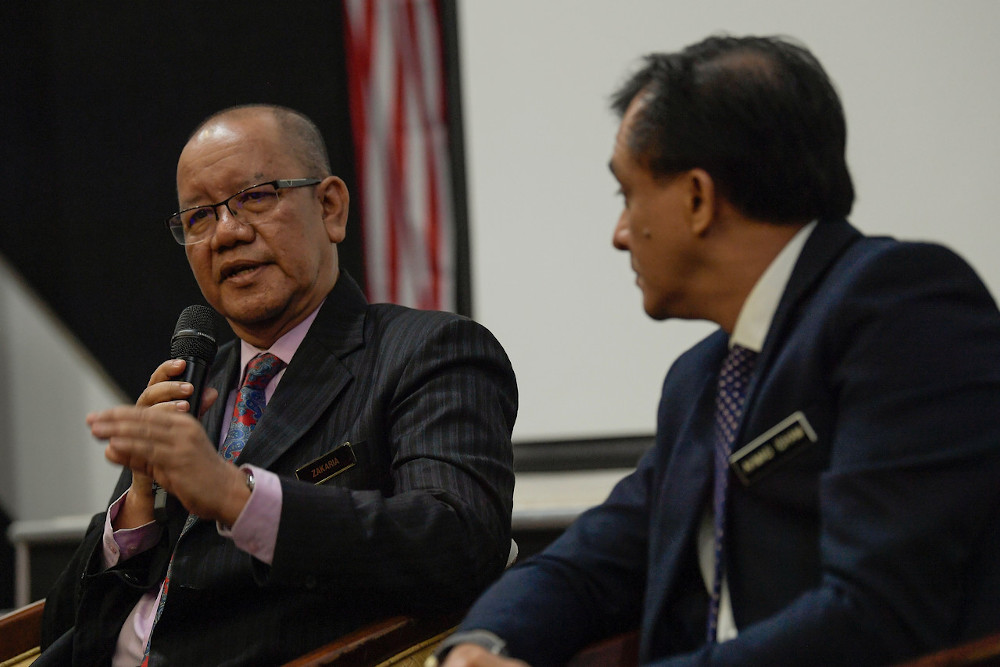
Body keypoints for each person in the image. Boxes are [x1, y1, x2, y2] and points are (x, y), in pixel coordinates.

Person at [435, 35, 1000, 666]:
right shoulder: (703, 377)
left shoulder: (901, 305)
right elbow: (592, 561)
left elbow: (874, 617)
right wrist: (482, 645)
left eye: (628, 195)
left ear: (698, 199)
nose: (619, 234)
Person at [39, 104, 518, 665]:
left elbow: (458, 544)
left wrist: (239, 499)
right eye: (198, 217)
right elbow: (60, 633)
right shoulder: (195, 386)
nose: (228, 234)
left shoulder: (428, 352)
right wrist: (138, 508)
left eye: (256, 197)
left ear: (331, 207)